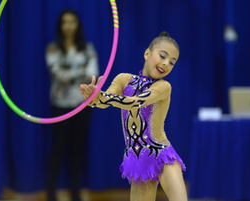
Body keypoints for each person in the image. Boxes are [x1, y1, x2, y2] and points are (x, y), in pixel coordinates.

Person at [80, 32, 187, 201]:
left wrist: (102, 97)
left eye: (172, 62)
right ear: (147, 54)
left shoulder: (163, 86)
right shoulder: (123, 79)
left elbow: (134, 102)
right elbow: (104, 102)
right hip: (138, 159)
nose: (166, 64)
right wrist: (94, 98)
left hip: (162, 154)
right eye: (163, 56)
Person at [45, 9, 99, 201]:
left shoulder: (88, 48)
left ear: (78, 25)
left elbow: (92, 74)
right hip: (60, 104)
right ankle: (51, 193)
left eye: (72, 22)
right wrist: (79, 72)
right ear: (60, 26)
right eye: (65, 22)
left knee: (78, 149)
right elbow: (57, 74)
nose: (68, 26)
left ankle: (75, 193)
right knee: (58, 149)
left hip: (82, 105)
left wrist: (70, 73)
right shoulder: (53, 48)